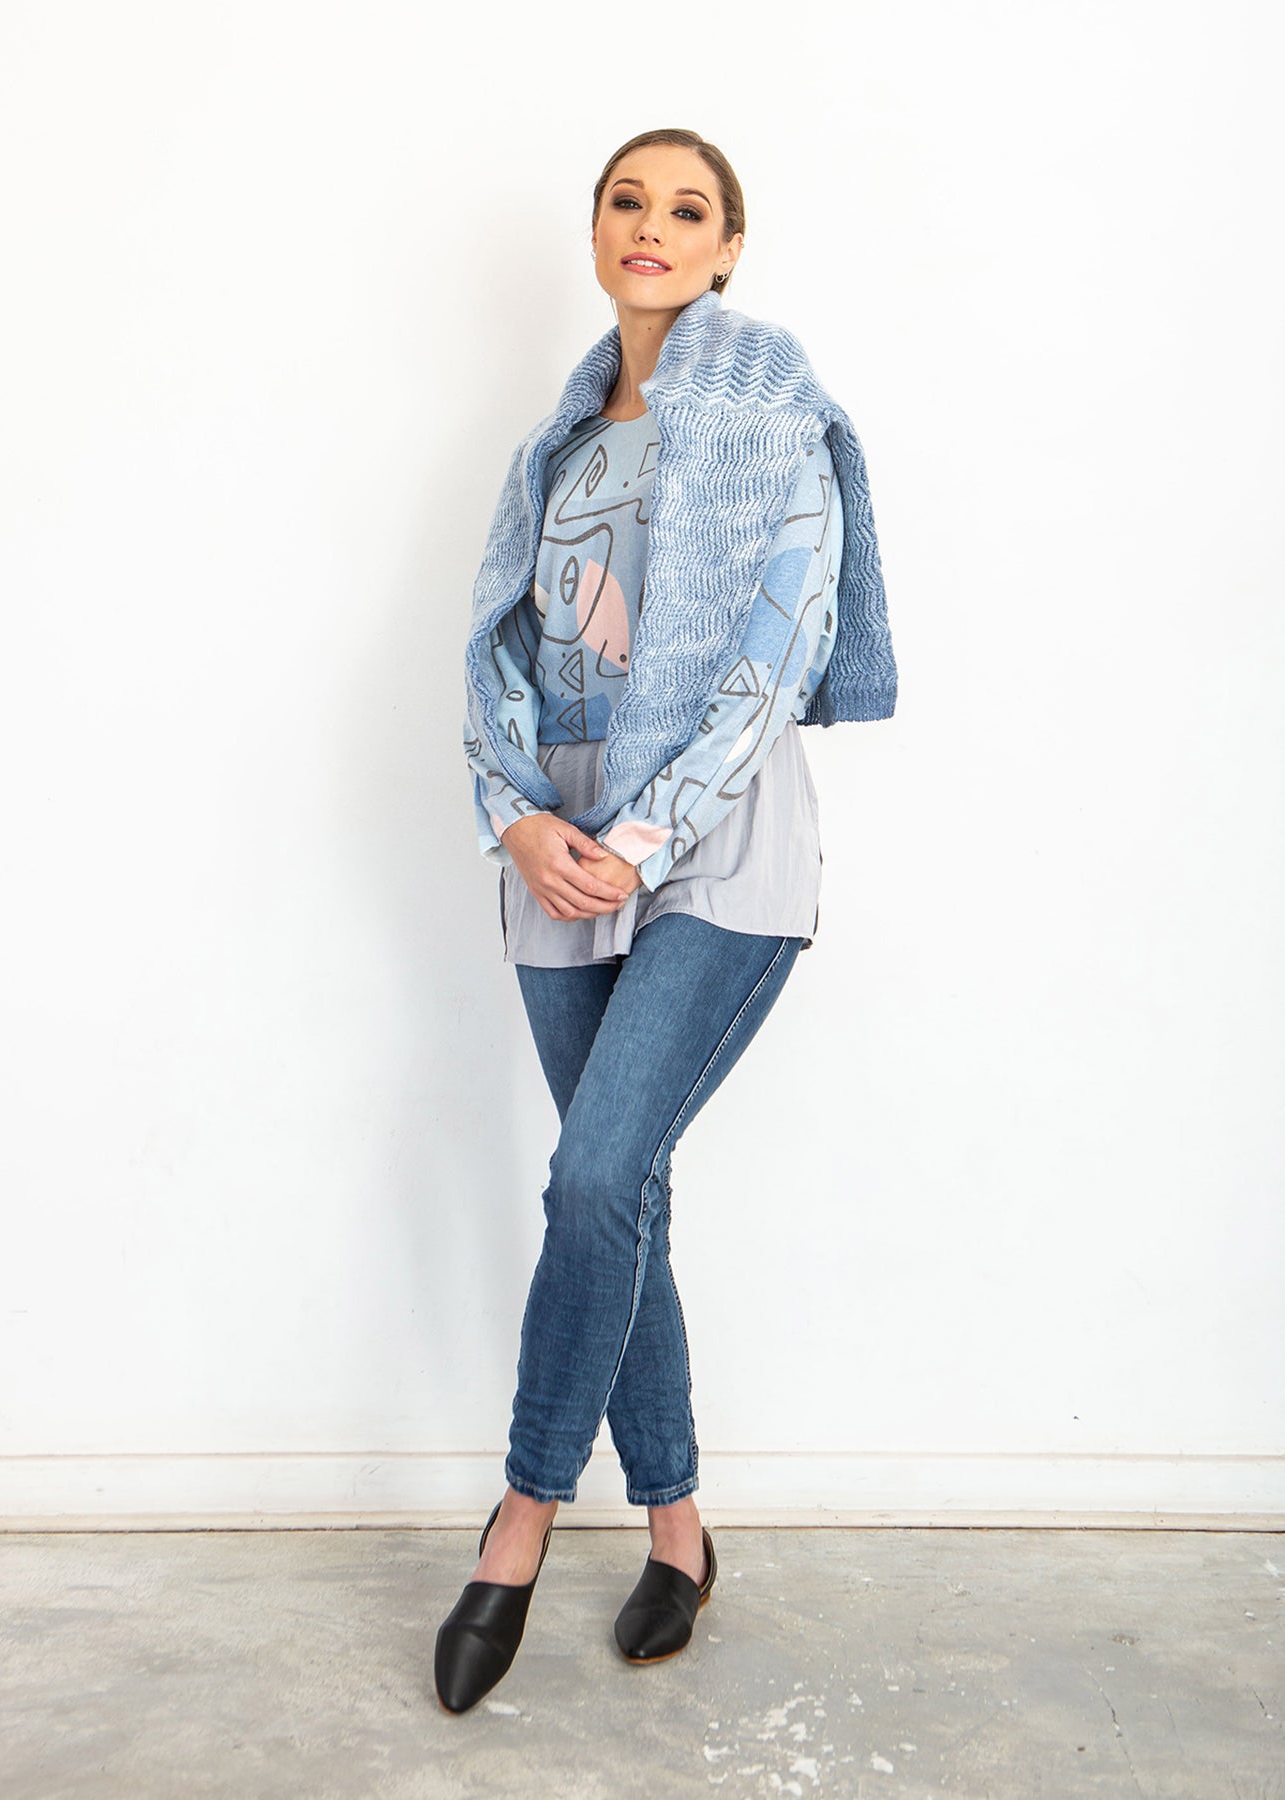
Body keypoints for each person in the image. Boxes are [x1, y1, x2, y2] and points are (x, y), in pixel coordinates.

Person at [439, 127, 897, 1715]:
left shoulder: (774, 416)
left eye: (686, 208)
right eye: (626, 201)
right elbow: (495, 655)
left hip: (712, 840)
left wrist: (637, 842)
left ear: (727, 248)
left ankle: (518, 1519)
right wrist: (515, 817)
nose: (651, 225)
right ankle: (680, 1531)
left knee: (590, 1176)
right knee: (619, 1195)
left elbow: (779, 651)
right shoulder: (554, 452)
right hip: (554, 847)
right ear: (595, 234)